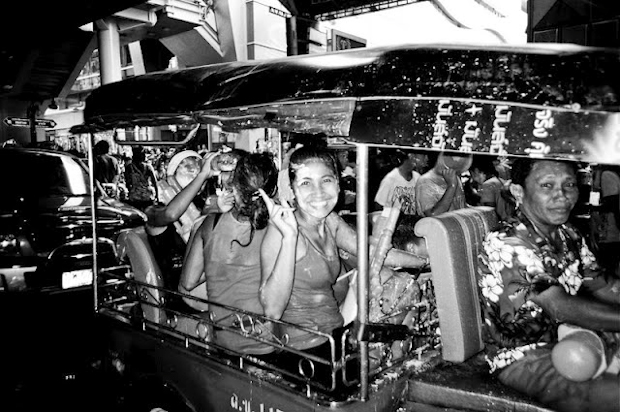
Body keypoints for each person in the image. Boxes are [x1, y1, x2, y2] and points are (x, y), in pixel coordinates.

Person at [259, 146, 429, 385]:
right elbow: (272, 310)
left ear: (338, 183)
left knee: (397, 283)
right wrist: (289, 238)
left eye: (326, 180)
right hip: (303, 355)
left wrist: (428, 261)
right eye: (306, 183)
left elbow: (371, 252)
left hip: (337, 336)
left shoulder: (328, 220)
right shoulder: (281, 231)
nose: (318, 192)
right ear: (293, 190)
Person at [476, 157, 620, 412]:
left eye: (569, 185)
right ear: (519, 192)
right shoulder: (507, 241)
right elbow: (559, 307)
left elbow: (604, 286)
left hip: (576, 338)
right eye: (547, 186)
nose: (562, 196)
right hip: (523, 357)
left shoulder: (568, 233)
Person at [179, 152, 279, 355]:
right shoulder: (282, 227)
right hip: (272, 343)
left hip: (224, 341)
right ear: (274, 190)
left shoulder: (210, 223)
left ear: (234, 187)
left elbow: (188, 284)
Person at [415, 151, 472, 217]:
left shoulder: (454, 177)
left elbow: (461, 206)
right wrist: (451, 186)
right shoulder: (425, 181)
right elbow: (433, 214)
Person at [374, 150, 428, 215]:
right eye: (424, 155)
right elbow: (379, 206)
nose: (427, 158)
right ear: (411, 156)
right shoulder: (391, 179)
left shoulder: (417, 178)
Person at [124, 146, 158, 211]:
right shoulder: (148, 167)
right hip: (147, 196)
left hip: (135, 197)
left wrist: (131, 190)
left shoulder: (129, 167)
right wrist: (157, 196)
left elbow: (127, 182)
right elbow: (155, 182)